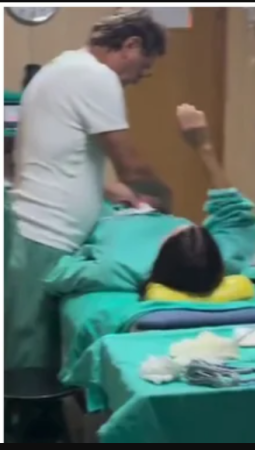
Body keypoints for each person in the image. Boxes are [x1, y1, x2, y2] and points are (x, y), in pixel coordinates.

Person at [6, 8, 169, 370]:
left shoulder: (62, 67)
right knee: (30, 359)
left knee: (27, 344)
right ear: (131, 45)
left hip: (35, 228)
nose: (137, 80)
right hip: (45, 233)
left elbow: (49, 152)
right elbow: (132, 165)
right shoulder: (96, 77)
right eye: (143, 69)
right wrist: (167, 199)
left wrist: (104, 188)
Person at [45, 105, 255, 301]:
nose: (187, 228)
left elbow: (57, 274)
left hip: (106, 212)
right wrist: (203, 146)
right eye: (195, 231)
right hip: (147, 206)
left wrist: (94, 191)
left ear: (165, 245)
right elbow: (234, 215)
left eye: (182, 234)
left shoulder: (120, 269)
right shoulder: (219, 261)